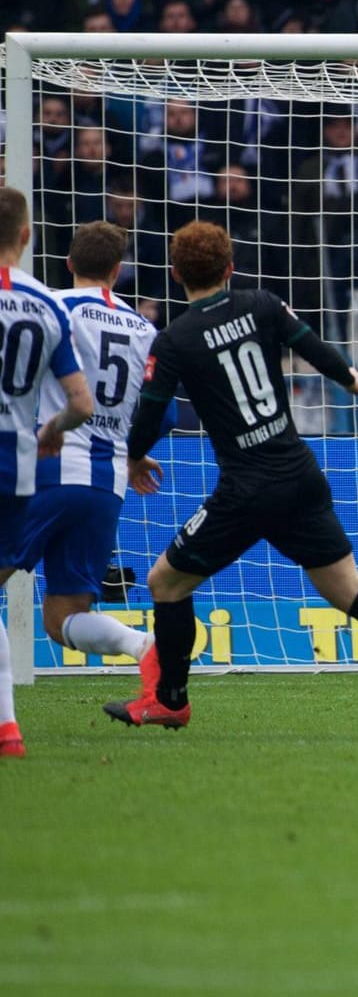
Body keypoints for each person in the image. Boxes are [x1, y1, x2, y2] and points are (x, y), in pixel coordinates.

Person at [106, 222, 358, 736]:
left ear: (175, 273)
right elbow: (314, 347)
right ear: (230, 269)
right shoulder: (263, 304)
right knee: (349, 589)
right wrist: (350, 378)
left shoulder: (176, 339)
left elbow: (149, 413)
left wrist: (135, 457)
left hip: (246, 489)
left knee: (166, 580)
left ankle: (170, 701)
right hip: (299, 474)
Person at [0, 222, 164, 698]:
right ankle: (145, 645)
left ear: (68, 264)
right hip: (107, 482)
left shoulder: (51, 305)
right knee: (63, 618)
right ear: (118, 270)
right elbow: (163, 410)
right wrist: (134, 455)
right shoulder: (145, 329)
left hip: (47, 466)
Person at [0, 191, 98, 759]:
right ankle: (7, 729)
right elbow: (81, 403)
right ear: (27, 236)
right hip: (16, 463)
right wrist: (54, 428)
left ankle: (8, 727)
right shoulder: (47, 304)